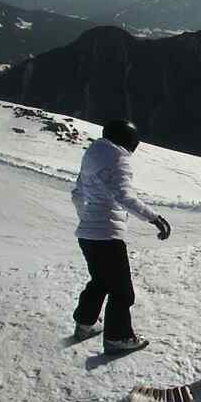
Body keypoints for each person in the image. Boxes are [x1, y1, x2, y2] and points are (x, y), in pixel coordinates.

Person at [73, 120, 169, 352]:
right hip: (107, 235)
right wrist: (154, 218)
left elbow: (77, 194)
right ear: (128, 141)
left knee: (100, 281)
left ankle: (85, 325)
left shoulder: (92, 156)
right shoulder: (117, 159)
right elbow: (123, 197)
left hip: (87, 234)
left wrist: (88, 220)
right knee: (122, 291)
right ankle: (118, 338)